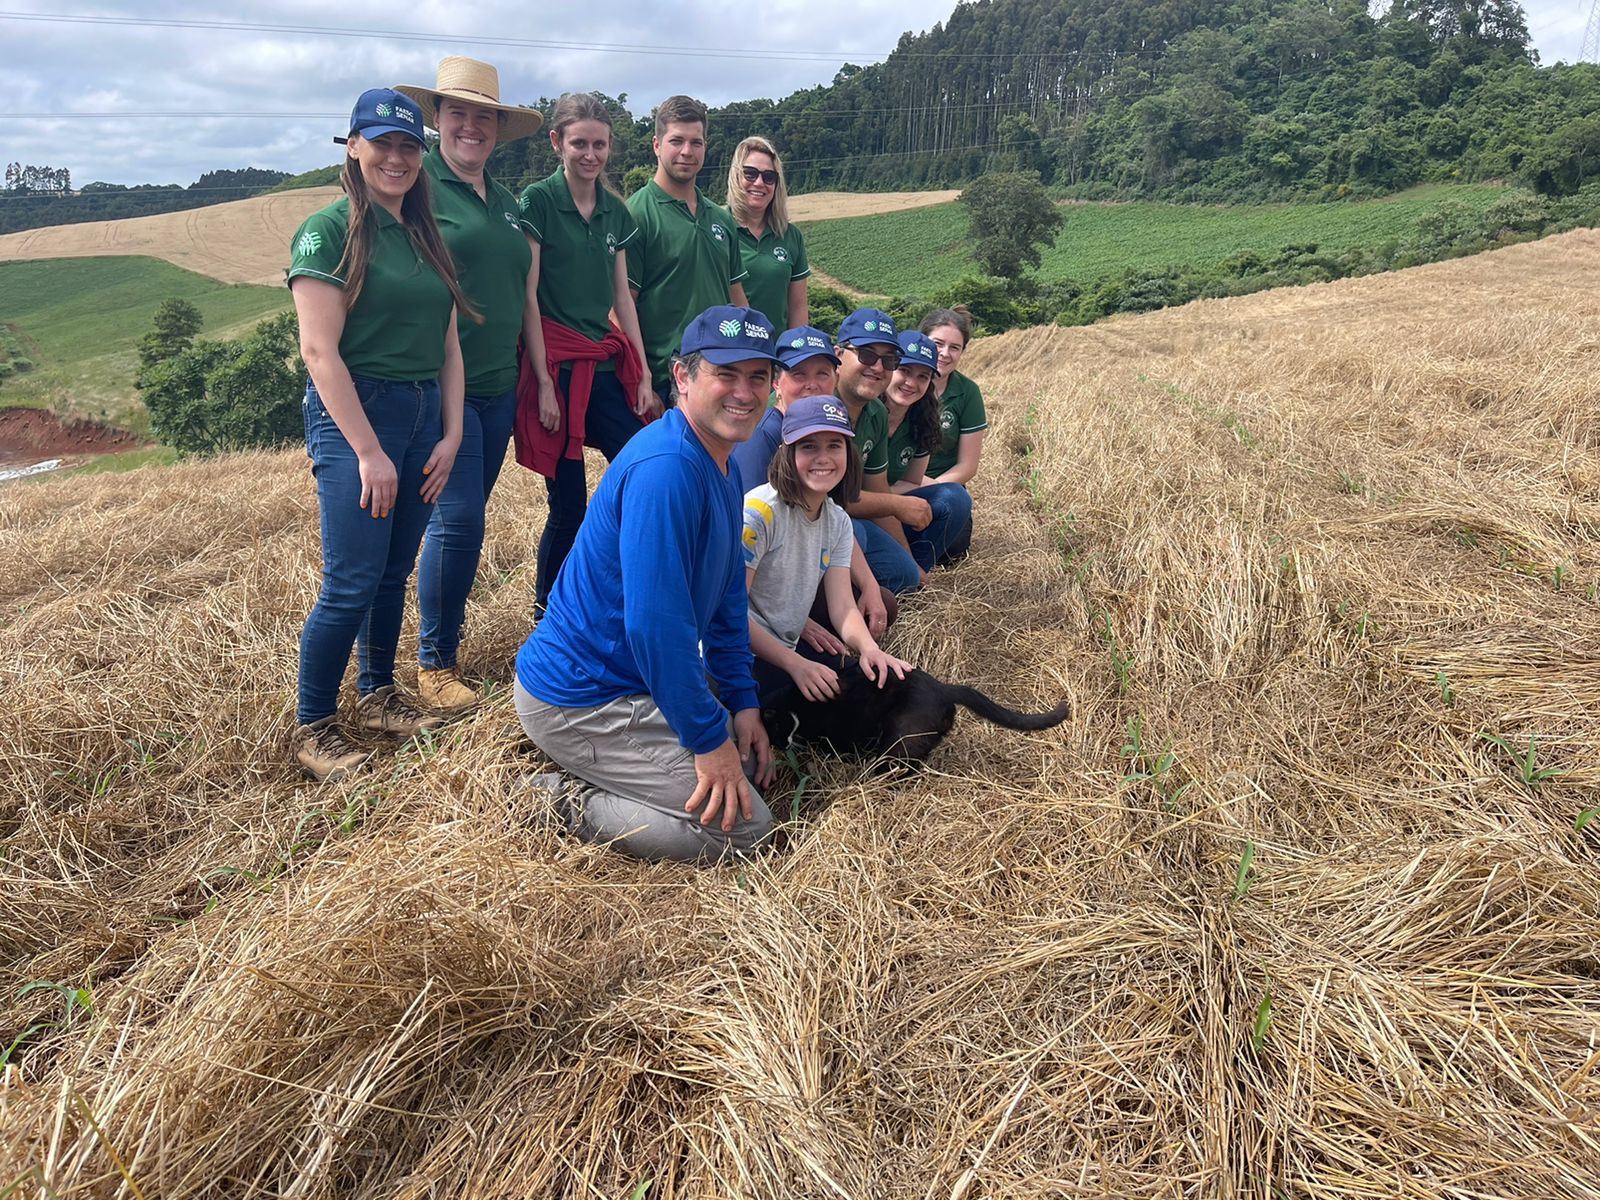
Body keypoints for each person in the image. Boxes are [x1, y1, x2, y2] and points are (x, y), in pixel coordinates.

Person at [513, 307, 781, 864]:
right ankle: (565, 803)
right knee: (746, 831)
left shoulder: (722, 464)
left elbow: (729, 597)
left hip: (634, 680)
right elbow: (656, 630)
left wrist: (742, 701)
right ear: (682, 378)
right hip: (583, 698)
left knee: (751, 762)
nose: (744, 392)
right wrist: (710, 744)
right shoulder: (667, 471)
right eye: (725, 375)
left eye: (758, 377)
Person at [286, 88, 475, 782]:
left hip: (424, 413)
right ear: (353, 147)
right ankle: (313, 726)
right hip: (355, 414)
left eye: (407, 146)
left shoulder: (427, 235)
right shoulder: (327, 230)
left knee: (393, 570)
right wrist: (367, 450)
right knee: (352, 579)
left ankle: (376, 695)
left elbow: (449, 343)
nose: (396, 157)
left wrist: (452, 433)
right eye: (382, 143)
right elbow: (318, 352)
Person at [391, 57, 543, 710]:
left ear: (498, 129)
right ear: (438, 121)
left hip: (497, 389)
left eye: (484, 116)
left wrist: (537, 378)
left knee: (459, 521)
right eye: (459, 113)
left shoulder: (508, 205)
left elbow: (525, 295)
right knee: (459, 525)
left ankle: (430, 648)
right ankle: (433, 664)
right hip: (440, 390)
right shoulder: (416, 191)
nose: (471, 126)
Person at [517, 93, 653, 616]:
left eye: (599, 144)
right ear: (558, 143)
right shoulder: (537, 202)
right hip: (555, 365)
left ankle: (618, 583)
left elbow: (622, 297)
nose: (589, 154)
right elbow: (528, 294)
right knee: (568, 503)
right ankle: (548, 609)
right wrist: (544, 384)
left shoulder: (616, 210)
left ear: (610, 147)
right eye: (579, 143)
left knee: (643, 465)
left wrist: (638, 373)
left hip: (601, 362)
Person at [731, 324, 895, 649]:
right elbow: (733, 590)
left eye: (822, 373)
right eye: (799, 373)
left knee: (882, 595)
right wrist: (796, 621)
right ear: (777, 381)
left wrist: (870, 587)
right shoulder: (761, 442)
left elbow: (836, 520)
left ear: (835, 377)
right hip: (757, 599)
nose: (812, 384)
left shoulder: (834, 426)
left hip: (801, 562)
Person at [743, 395, 910, 708]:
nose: (823, 457)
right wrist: (793, 663)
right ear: (786, 453)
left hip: (785, 641)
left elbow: (843, 605)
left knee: (853, 685)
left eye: (834, 445)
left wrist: (869, 648)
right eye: (809, 446)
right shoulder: (760, 513)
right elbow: (729, 613)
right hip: (743, 650)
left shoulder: (837, 520)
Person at [626, 95, 748, 408]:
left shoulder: (720, 218)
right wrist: (641, 379)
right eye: (676, 141)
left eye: (696, 142)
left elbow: (735, 296)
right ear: (656, 144)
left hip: (722, 369)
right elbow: (622, 306)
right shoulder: (637, 215)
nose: (686, 151)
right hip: (668, 378)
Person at [830, 309, 937, 593]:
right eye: (866, 354)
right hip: (805, 523)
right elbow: (823, 500)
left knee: (904, 576)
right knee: (850, 531)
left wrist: (910, 563)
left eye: (889, 360)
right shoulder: (820, 405)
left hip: (844, 518)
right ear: (839, 355)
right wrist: (897, 505)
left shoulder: (875, 411)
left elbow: (877, 491)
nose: (877, 367)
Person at [881, 329, 973, 570]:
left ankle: (916, 570)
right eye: (904, 371)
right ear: (889, 368)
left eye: (923, 376)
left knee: (955, 498)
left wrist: (895, 500)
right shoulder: (868, 411)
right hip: (857, 508)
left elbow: (912, 481)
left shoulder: (923, 420)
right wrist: (890, 502)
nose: (912, 383)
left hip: (889, 499)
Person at [727, 136, 809, 331]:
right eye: (750, 174)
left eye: (768, 177)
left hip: (777, 355)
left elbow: (798, 307)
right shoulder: (719, 227)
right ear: (736, 176)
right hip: (729, 354)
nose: (759, 182)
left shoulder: (790, 236)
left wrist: (795, 354)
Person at [919, 306, 987, 485]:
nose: (945, 353)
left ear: (962, 352)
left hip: (945, 485)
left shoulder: (968, 392)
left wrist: (932, 490)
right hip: (893, 482)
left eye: (954, 347)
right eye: (937, 344)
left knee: (955, 502)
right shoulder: (899, 384)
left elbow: (967, 466)